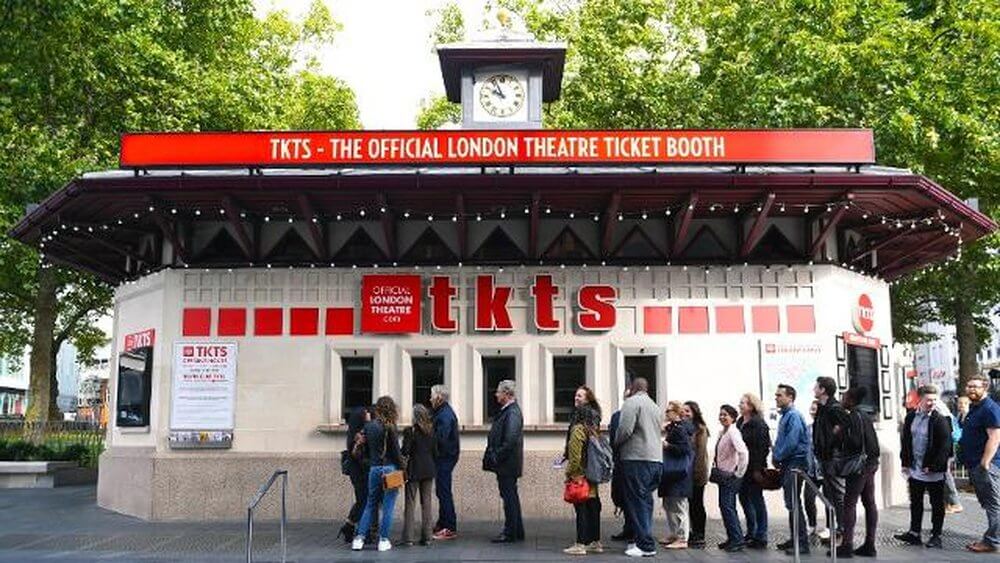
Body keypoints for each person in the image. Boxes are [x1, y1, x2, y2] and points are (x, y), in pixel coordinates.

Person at [894, 384, 952, 549]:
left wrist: (933, 466)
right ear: (920, 399)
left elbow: (945, 446)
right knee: (916, 502)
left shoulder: (940, 419)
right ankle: (914, 533)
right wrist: (905, 462)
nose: (931, 403)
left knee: (936, 503)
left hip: (933, 470)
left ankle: (936, 535)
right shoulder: (911, 417)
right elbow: (906, 441)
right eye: (928, 400)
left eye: (934, 400)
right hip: (915, 468)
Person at [613, 377, 663, 557]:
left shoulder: (631, 403)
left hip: (636, 459)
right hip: (655, 460)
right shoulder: (655, 406)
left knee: (636, 502)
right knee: (645, 502)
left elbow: (625, 430)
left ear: (632, 388)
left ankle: (646, 545)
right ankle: (642, 540)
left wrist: (615, 443)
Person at [352, 396, 403, 552]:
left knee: (370, 504)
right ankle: (383, 540)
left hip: (374, 469)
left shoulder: (368, 427)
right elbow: (396, 453)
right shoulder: (390, 427)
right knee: (388, 506)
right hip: (390, 469)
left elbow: (363, 451)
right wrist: (403, 468)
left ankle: (359, 539)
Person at [959, 375, 1000, 553]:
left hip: (986, 466)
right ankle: (992, 538)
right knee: (989, 503)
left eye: (975, 386)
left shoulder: (989, 408)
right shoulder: (976, 408)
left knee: (993, 503)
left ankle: (992, 541)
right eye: (969, 386)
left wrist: (985, 463)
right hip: (976, 464)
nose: (971, 389)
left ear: (985, 388)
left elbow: (995, 437)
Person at [839, 387, 880, 558]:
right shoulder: (865, 416)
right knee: (869, 503)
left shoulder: (853, 417)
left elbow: (854, 442)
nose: (842, 400)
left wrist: (840, 435)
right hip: (870, 463)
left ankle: (847, 544)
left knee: (850, 503)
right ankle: (869, 544)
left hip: (859, 466)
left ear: (850, 400)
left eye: (844, 397)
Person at [483, 379, 525, 543]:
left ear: (507, 394)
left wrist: (496, 456)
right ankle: (517, 530)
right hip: (506, 463)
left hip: (507, 464)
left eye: (499, 392)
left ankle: (510, 532)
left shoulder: (512, 412)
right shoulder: (507, 411)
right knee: (510, 496)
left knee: (509, 498)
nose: (496, 394)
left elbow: (510, 440)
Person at [771, 384, 811, 556]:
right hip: (789, 462)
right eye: (776, 395)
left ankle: (802, 542)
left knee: (793, 502)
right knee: (791, 502)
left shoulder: (793, 416)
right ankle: (795, 537)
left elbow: (792, 442)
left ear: (790, 397)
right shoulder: (786, 416)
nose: (776, 398)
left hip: (795, 463)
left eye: (780, 395)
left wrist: (778, 455)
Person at [813, 376, 850, 547]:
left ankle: (843, 532)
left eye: (816, 386)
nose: (814, 389)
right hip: (825, 457)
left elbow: (843, 428)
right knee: (831, 496)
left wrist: (831, 444)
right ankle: (836, 530)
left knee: (839, 496)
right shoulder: (823, 408)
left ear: (823, 390)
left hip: (833, 459)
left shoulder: (833, 408)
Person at [563, 402, 604, 555]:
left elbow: (575, 458)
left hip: (581, 476)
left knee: (581, 509)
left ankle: (580, 543)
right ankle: (595, 542)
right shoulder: (592, 431)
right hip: (593, 475)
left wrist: (570, 473)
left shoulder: (578, 431)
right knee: (593, 508)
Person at [736, 392, 771, 549]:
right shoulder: (739, 422)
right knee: (744, 499)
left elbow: (763, 448)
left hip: (754, 468)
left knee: (756, 500)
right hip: (741, 468)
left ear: (751, 406)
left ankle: (761, 535)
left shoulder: (759, 424)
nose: (740, 405)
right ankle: (751, 531)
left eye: (742, 403)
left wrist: (758, 468)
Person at [714, 404, 749, 553]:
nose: (722, 417)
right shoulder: (724, 432)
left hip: (730, 476)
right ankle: (732, 538)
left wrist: (739, 473)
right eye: (721, 414)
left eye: (725, 415)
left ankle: (737, 539)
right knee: (726, 507)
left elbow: (743, 453)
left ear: (733, 418)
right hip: (724, 476)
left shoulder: (733, 432)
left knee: (727, 507)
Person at [658, 401, 693, 550]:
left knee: (679, 506)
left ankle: (683, 537)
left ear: (677, 413)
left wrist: (668, 446)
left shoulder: (681, 429)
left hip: (678, 473)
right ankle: (674, 533)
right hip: (671, 473)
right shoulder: (674, 427)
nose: (666, 413)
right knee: (668, 504)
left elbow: (685, 449)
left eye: (669, 411)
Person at [401, 404, 438, 547]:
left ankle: (408, 537)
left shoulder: (410, 431)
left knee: (410, 503)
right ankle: (427, 536)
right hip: (429, 469)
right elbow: (436, 452)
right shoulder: (431, 430)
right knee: (426, 503)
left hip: (414, 469)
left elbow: (405, 451)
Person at [430, 384, 460, 541]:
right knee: (441, 491)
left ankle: (449, 527)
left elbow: (440, 439)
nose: (430, 399)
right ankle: (443, 523)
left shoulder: (444, 415)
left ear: (439, 397)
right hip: (445, 457)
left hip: (445, 457)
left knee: (444, 491)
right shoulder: (442, 412)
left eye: (432, 396)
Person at [339, 406, 372, 543]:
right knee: (364, 501)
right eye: (366, 415)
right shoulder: (359, 436)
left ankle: (350, 526)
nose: (368, 416)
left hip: (357, 471)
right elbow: (359, 456)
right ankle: (357, 529)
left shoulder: (353, 433)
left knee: (362, 501)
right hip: (360, 472)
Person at [682, 401, 709, 549]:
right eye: (683, 411)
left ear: (695, 413)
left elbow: (700, 452)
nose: (685, 413)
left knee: (698, 504)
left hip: (697, 471)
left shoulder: (700, 429)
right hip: (688, 471)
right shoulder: (685, 428)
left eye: (688, 411)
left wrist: (697, 473)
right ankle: (694, 531)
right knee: (692, 504)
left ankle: (700, 534)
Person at [609, 387, 633, 543]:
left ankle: (634, 530)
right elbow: (613, 439)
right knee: (621, 495)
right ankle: (628, 528)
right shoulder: (617, 416)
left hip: (633, 461)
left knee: (633, 497)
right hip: (620, 460)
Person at [804, 400, 829, 541]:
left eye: (815, 409)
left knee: (828, 499)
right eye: (811, 409)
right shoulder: (808, 428)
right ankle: (812, 524)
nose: (812, 411)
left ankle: (829, 527)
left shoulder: (826, 428)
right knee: (808, 498)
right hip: (811, 471)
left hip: (824, 470)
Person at [934, 399, 964, 514]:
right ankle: (948, 503)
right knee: (943, 475)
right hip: (945, 449)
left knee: (945, 475)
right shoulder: (943, 409)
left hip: (945, 449)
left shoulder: (941, 412)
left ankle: (954, 502)